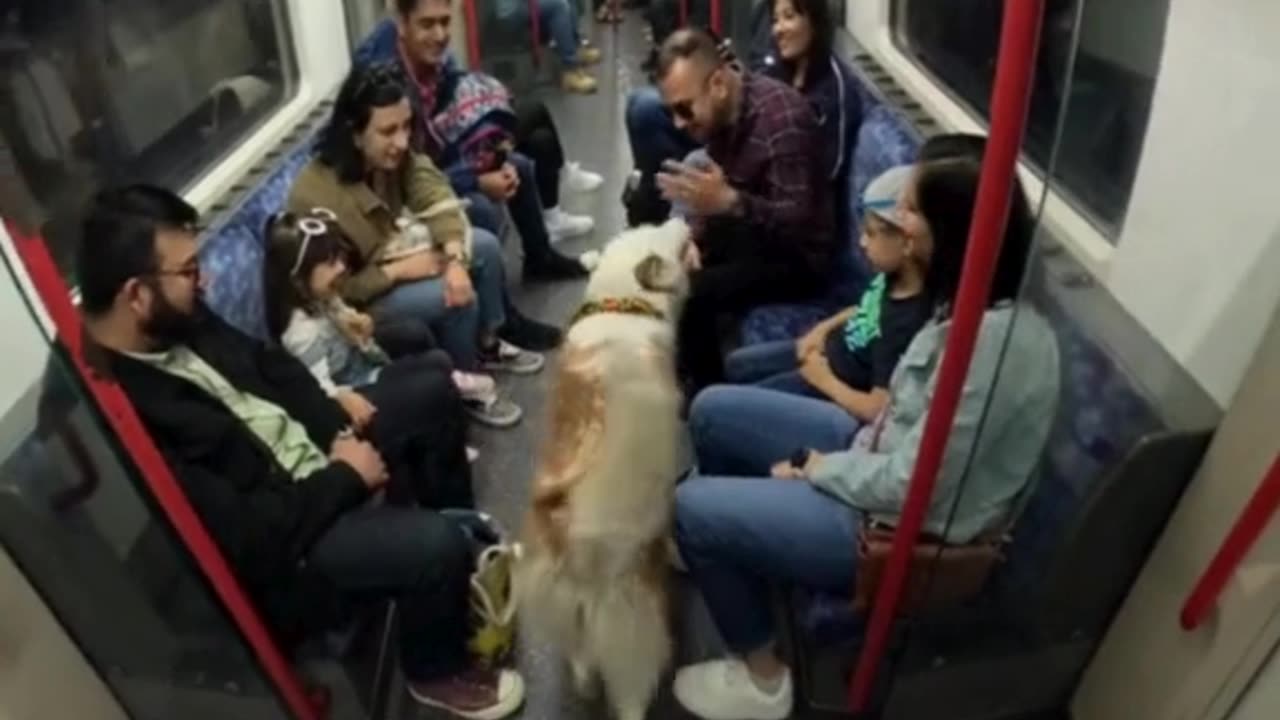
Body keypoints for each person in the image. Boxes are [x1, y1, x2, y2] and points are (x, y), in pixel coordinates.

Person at [76, 184, 526, 718]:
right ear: (136, 295)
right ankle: (436, 669)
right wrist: (344, 478)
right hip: (291, 533)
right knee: (433, 547)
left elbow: (273, 366)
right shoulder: (120, 415)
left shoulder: (179, 319)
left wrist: (331, 419)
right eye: (190, 271)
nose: (206, 280)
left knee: (432, 393)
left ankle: (458, 545)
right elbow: (249, 539)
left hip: (315, 453)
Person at [670, 152, 1061, 720]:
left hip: (896, 527)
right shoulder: (964, 300)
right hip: (873, 450)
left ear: (946, 231)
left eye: (910, 209)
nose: (897, 217)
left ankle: (762, 679)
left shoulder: (991, 350)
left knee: (689, 507)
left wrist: (816, 467)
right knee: (710, 410)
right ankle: (742, 544)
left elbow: (914, 486)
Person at [288, 63, 545, 427]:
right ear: (355, 133)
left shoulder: (394, 155)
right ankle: (459, 387)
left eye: (407, 127)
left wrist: (454, 261)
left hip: (392, 255)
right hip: (356, 301)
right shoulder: (315, 196)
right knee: (451, 297)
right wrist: (400, 271)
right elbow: (335, 289)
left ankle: (485, 344)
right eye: (388, 131)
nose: (403, 142)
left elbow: (434, 190)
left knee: (482, 246)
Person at [356, 1, 603, 281]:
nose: (439, 35)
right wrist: (477, 180)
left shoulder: (433, 61)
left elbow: (450, 114)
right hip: (397, 190)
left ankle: (540, 260)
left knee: (518, 164)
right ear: (401, 22)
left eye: (445, 22)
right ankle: (498, 318)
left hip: (432, 161)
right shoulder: (387, 84)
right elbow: (408, 171)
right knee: (481, 207)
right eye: (427, 24)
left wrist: (489, 152)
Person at [652, 28, 835, 394]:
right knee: (672, 256)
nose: (678, 123)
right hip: (752, 227)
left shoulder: (782, 124)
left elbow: (798, 222)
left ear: (718, 83)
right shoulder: (725, 113)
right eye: (672, 111)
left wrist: (730, 203)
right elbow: (719, 186)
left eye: (684, 108)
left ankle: (708, 395)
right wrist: (694, 233)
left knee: (693, 290)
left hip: (798, 257)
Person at [263, 208, 522, 430]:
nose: (341, 268)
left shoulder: (323, 297)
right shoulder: (302, 334)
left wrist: (359, 327)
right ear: (297, 280)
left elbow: (348, 327)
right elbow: (321, 391)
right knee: (434, 375)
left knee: (431, 353)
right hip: (355, 392)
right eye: (330, 263)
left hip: (364, 366)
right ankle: (445, 405)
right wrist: (344, 396)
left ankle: (448, 402)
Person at [721, 165, 932, 423]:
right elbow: (863, 310)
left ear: (906, 242)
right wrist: (821, 330)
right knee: (738, 364)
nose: (862, 243)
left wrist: (823, 380)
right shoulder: (890, 277)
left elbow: (878, 410)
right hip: (828, 351)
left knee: (726, 408)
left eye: (871, 233)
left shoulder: (905, 324)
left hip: (831, 387)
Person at [626, 0, 860, 231]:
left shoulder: (826, 91)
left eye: (789, 17)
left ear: (815, 20)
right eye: (775, 20)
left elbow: (820, 175)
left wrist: (731, 198)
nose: (778, 29)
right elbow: (754, 98)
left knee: (652, 117)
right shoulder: (779, 64)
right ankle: (659, 221)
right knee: (645, 110)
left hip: (779, 185)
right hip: (750, 152)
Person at [495, 0, 600, 93]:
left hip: (523, 4)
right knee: (558, 6)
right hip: (511, 13)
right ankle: (569, 70)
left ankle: (575, 47)